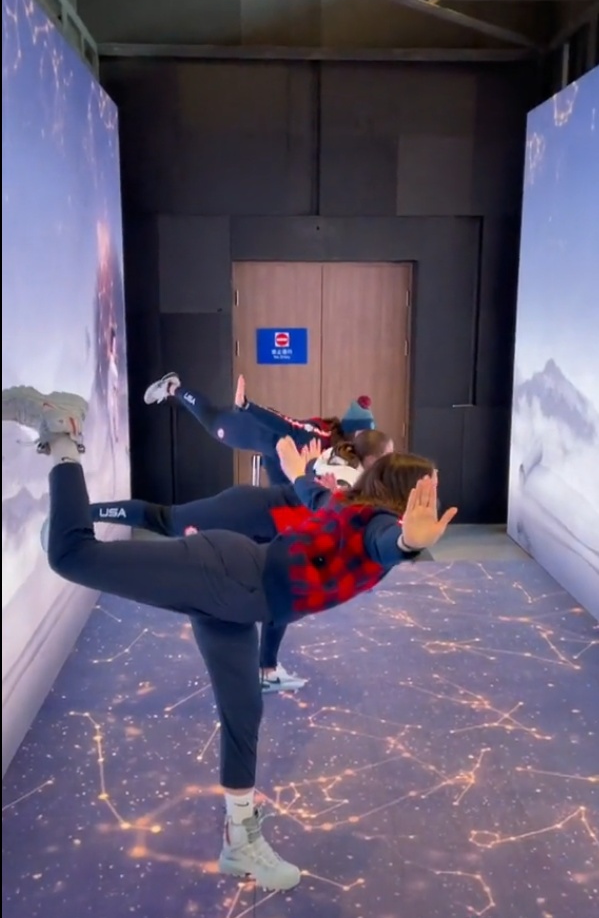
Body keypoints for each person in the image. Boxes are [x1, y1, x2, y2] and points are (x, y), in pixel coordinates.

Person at [1, 385, 456, 892]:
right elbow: (387, 543)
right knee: (71, 556)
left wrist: (299, 471)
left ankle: (240, 841)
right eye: (431, 488)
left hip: (239, 600)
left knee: (244, 711)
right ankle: (62, 435)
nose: (438, 497)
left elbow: (312, 494)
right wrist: (410, 540)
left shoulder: (346, 506)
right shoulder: (377, 526)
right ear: (405, 494)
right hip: (227, 576)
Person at [61, 429, 395, 695]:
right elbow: (325, 508)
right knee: (165, 519)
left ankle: (267, 669)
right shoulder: (348, 481)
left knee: (281, 606)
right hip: (246, 512)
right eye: (389, 457)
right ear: (372, 460)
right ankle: (80, 513)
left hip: (268, 537)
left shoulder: (351, 477)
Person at [143, 372, 376, 484]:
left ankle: (174, 388)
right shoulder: (319, 437)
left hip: (265, 444)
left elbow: (285, 467)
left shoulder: (336, 455)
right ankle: (172, 387)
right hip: (254, 428)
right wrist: (248, 407)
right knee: (211, 420)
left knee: (211, 418)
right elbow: (285, 424)